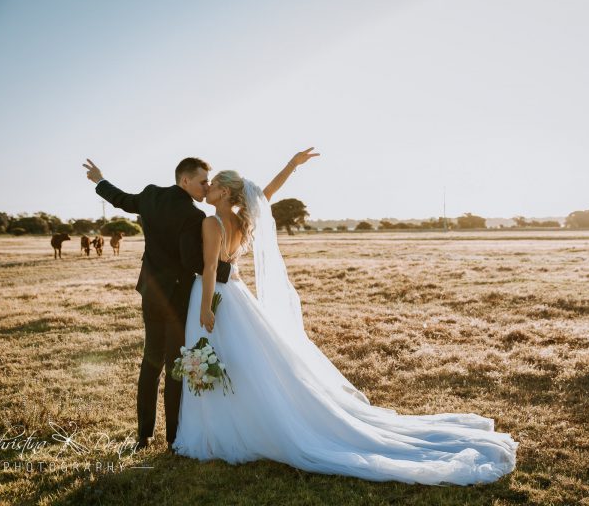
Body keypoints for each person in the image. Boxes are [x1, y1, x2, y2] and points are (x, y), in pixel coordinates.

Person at [172, 150, 519, 485]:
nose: (207, 188)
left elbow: (210, 267)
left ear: (225, 192)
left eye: (212, 184)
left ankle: (221, 432)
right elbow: (264, 195)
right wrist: (291, 165)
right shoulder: (238, 217)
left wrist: (205, 308)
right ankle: (232, 426)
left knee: (224, 359)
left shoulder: (212, 221)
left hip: (216, 296)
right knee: (237, 363)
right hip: (239, 297)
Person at [83, 156, 216, 451]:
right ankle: (173, 438)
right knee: (173, 367)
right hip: (176, 299)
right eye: (203, 181)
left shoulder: (151, 195)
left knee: (150, 360)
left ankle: (143, 435)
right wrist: (225, 270)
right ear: (185, 180)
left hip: (150, 292)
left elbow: (122, 200)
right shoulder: (193, 216)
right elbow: (191, 261)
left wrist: (100, 180)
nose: (207, 187)